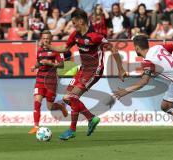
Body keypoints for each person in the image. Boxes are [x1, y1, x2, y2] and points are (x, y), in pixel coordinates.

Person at [42, 9, 127, 140]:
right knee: (67, 98)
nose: (73, 24)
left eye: (74, 22)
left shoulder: (95, 36)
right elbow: (64, 48)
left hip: (94, 70)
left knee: (71, 97)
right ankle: (91, 119)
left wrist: (120, 69)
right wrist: (50, 47)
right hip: (83, 69)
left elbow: (113, 49)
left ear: (80, 21)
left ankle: (73, 129)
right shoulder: (75, 35)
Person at [113, 34, 173, 146]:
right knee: (165, 106)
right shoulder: (157, 48)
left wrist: (126, 90)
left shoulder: (148, 61)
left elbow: (144, 82)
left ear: (136, 48)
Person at [28, 30, 68, 134]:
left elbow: (61, 64)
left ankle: (61, 106)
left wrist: (51, 63)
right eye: (44, 38)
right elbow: (38, 62)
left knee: (50, 107)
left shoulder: (55, 51)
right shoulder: (40, 50)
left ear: (50, 40)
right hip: (39, 79)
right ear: (42, 39)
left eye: (47, 38)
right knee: (37, 102)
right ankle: (36, 126)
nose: (45, 40)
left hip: (51, 81)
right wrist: (34, 66)